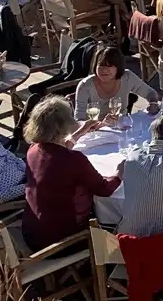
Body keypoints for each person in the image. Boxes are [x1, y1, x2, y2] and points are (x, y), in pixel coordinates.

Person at [22, 96, 121, 249]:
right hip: (61, 241)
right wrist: (120, 172)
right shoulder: (73, 159)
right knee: (119, 225)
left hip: (32, 231)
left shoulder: (34, 149)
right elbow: (105, 189)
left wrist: (80, 133)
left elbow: (56, 151)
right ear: (63, 126)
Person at [75, 44, 161, 120]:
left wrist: (153, 103)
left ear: (118, 67)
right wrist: (100, 124)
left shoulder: (127, 78)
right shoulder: (85, 86)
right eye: (100, 65)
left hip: (121, 128)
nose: (104, 69)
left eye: (109, 65)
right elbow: (78, 120)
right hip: (94, 132)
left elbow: (150, 93)